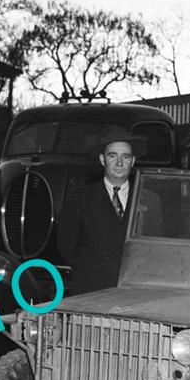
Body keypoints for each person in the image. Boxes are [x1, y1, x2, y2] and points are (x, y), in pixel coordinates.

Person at [57, 126, 148, 295]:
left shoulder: (149, 199)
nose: (119, 163)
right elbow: (66, 246)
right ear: (102, 159)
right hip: (90, 293)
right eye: (112, 156)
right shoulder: (80, 198)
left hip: (135, 295)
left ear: (133, 161)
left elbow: (155, 252)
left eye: (125, 156)